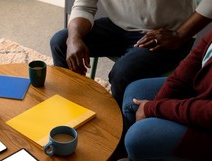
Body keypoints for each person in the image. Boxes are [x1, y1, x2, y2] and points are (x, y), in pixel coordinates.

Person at [50, 0, 212, 106]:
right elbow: (84, 5)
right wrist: (74, 37)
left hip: (169, 33)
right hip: (119, 26)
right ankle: (70, 107)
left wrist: (179, 35)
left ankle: (118, 134)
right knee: (61, 43)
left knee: (123, 73)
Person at [112, 30, 212, 161]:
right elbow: (187, 68)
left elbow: (207, 113)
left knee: (138, 135)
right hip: (201, 95)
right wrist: (153, 108)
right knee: (135, 93)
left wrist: (154, 108)